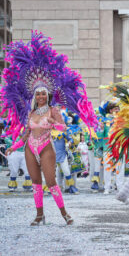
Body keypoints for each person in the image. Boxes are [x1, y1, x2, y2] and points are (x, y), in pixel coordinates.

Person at [2, 31, 97, 225]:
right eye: (38, 95)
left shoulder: (53, 110)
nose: (41, 97)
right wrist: (14, 146)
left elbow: (64, 128)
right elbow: (26, 134)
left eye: (43, 94)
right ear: (34, 96)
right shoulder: (30, 114)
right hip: (29, 147)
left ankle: (64, 214)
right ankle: (39, 215)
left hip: (46, 147)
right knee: (36, 184)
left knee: (51, 182)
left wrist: (55, 124)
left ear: (48, 95)